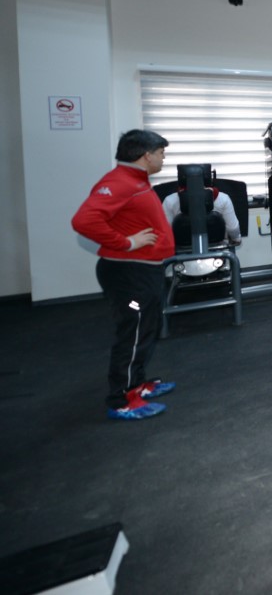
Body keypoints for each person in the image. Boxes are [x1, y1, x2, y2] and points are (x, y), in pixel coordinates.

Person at [71, 129, 177, 421]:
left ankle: (137, 385)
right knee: (133, 334)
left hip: (144, 270)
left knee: (146, 329)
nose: (163, 158)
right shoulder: (119, 182)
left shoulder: (136, 181)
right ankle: (122, 399)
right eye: (161, 153)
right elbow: (84, 220)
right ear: (146, 155)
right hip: (129, 273)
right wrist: (127, 242)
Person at [162, 170, 242, 246]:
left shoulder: (170, 201)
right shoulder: (223, 199)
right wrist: (236, 239)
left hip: (181, 252)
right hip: (218, 250)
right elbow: (233, 229)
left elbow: (165, 232)